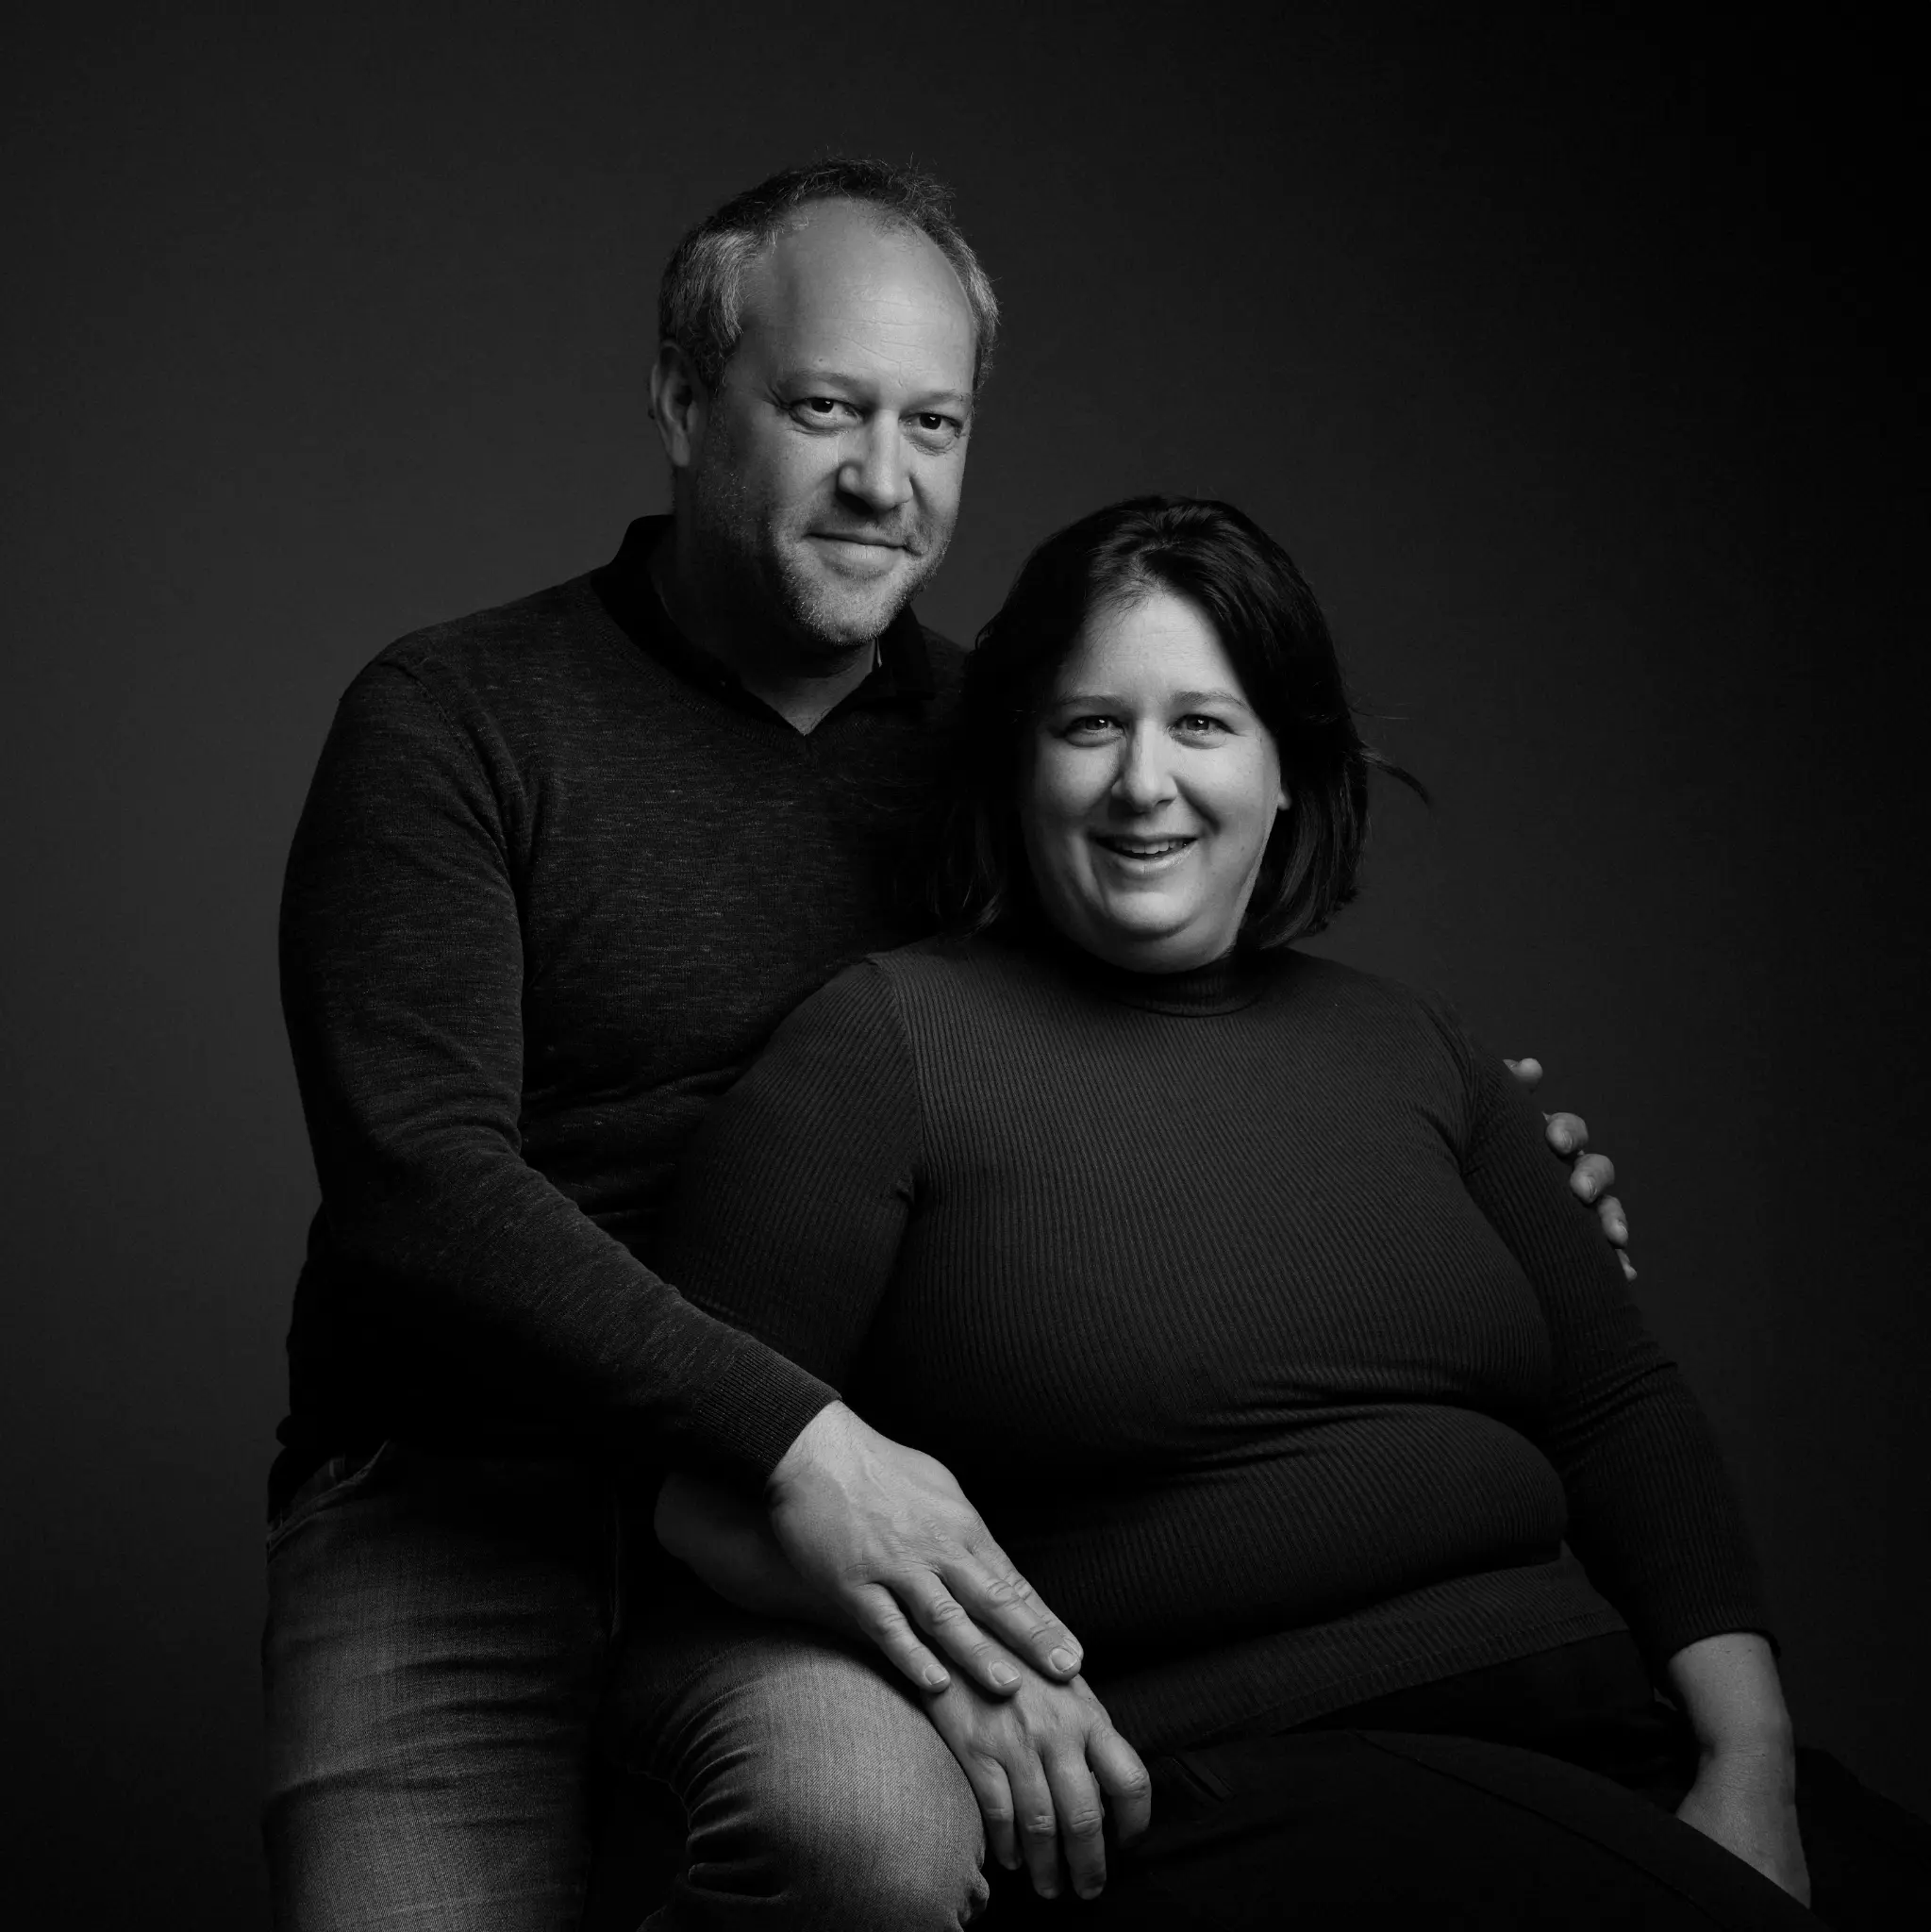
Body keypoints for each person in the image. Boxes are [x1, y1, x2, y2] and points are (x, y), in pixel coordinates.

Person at [265, 162, 1627, 1928]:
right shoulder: (453, 717)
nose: (884, 484)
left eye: (935, 421)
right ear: (684, 400)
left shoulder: (1013, 747)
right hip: (468, 1511)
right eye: (825, 408)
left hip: (818, 1559)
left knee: (877, 1842)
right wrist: (799, 1437)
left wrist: (1470, 1189)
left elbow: (1185, 1057)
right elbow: (415, 1187)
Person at [626, 496, 1841, 1927]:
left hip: (1595, 1732)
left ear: (1287, 772)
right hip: (1231, 1777)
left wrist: (1747, 1763)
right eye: (1090, 727)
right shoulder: (886, 1048)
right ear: (1018, 763)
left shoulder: (1417, 1049)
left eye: (1202, 724)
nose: (1144, 782)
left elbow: (1617, 1406)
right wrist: (978, 1672)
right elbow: (695, 1488)